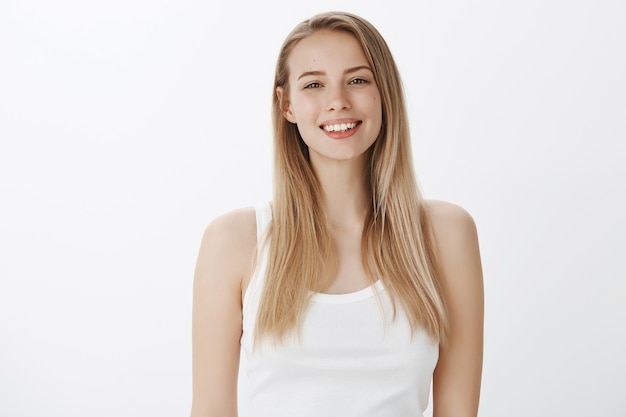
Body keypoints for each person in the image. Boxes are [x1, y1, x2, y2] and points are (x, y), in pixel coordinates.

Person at [190, 11, 483, 417]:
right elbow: (211, 410)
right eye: (314, 84)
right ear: (286, 104)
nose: (338, 101)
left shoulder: (446, 236)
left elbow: (457, 411)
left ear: (385, 93)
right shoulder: (234, 242)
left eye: (358, 80)